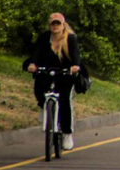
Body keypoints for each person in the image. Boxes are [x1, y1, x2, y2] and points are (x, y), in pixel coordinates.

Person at [25, 13, 81, 151]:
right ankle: (43, 105)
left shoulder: (70, 38)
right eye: (53, 24)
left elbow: (76, 56)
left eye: (58, 23)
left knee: (65, 100)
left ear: (63, 25)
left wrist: (75, 66)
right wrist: (33, 64)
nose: (55, 26)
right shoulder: (44, 37)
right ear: (49, 25)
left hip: (65, 72)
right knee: (39, 87)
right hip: (47, 69)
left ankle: (67, 134)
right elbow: (36, 53)